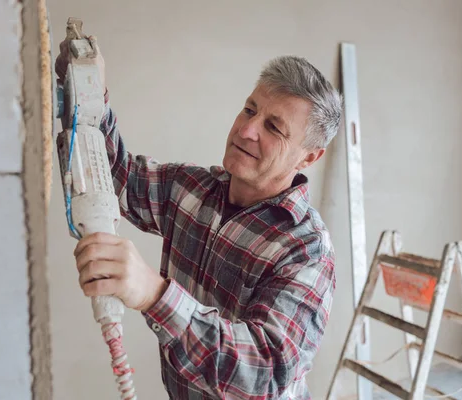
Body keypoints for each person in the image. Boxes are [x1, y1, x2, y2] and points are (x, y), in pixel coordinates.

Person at [56, 36, 342, 400]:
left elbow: (264, 371)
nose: (246, 130)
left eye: (274, 127)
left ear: (308, 158)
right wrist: (91, 93)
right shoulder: (193, 189)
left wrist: (153, 293)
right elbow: (119, 176)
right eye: (250, 109)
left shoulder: (307, 250)